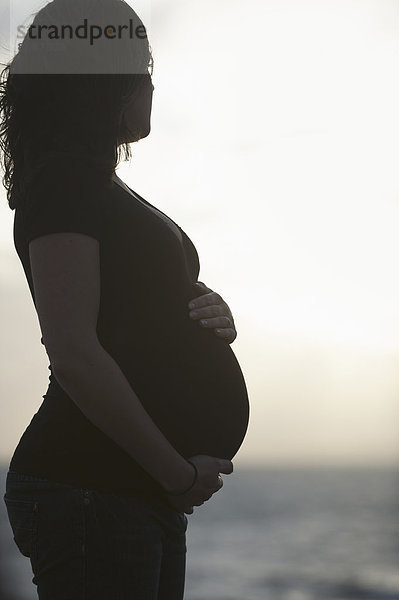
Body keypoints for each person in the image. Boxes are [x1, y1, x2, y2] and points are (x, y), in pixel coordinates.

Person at [0, 1, 250, 598]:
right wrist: (176, 473)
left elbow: (129, 308)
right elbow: (74, 351)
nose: (153, 84)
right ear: (102, 82)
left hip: (127, 487)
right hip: (92, 484)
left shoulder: (97, 186)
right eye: (141, 68)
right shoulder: (63, 182)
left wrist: (208, 311)